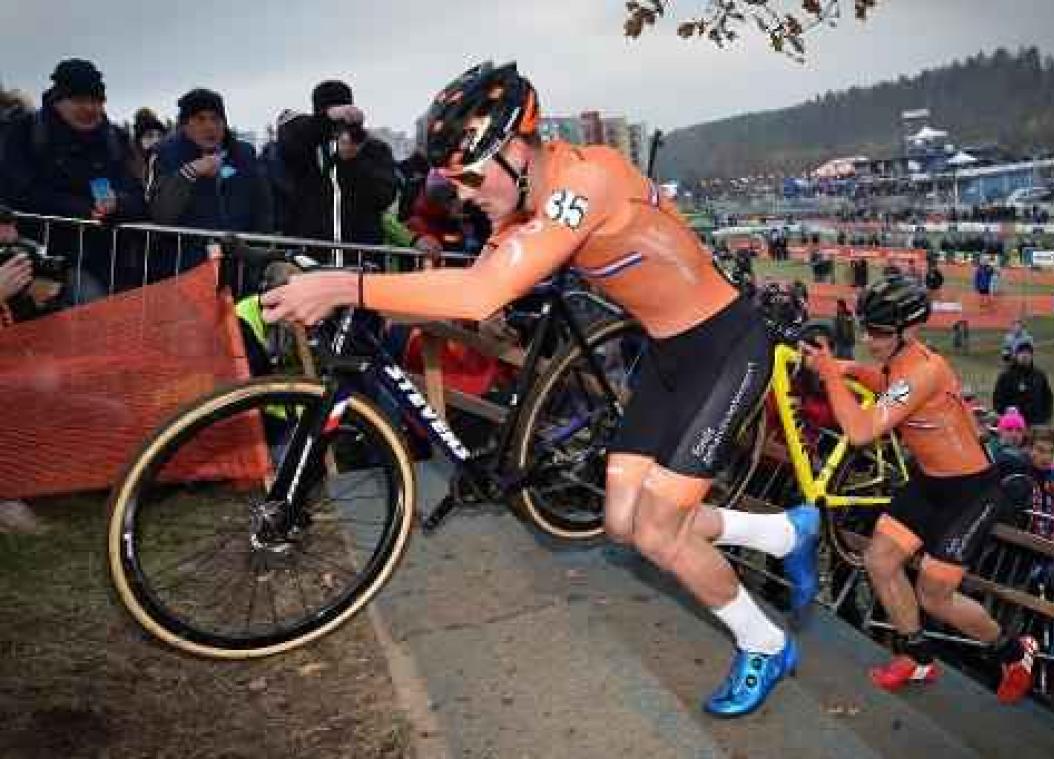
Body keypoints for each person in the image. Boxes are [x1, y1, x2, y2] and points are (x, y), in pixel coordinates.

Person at [261, 61, 820, 718]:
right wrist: (354, 297)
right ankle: (782, 532)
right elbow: (473, 285)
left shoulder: (589, 178)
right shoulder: (525, 204)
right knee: (621, 523)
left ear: (517, 150)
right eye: (451, 181)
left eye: (471, 175)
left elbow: (478, 292)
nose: (463, 194)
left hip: (727, 346)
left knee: (660, 533)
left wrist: (342, 286)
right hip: (669, 352)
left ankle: (765, 642)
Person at [801, 276, 1038, 704]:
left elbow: (860, 431)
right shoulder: (901, 360)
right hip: (931, 482)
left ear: (908, 330)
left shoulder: (925, 368)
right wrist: (848, 368)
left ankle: (1013, 651)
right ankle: (918, 655)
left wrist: (832, 377)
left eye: (879, 333)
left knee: (935, 595)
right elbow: (886, 382)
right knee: (880, 560)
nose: (871, 341)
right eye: (867, 330)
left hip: (972, 492)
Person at [0, 58, 145, 303]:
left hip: (111, 263)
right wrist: (82, 209)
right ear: (58, 100)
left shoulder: (115, 140)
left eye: (96, 101)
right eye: (79, 100)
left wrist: (117, 204)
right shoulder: (24, 133)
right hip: (41, 261)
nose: (89, 108)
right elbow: (17, 194)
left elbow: (139, 198)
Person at [147, 88, 273, 281]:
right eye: (200, 119)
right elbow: (161, 214)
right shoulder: (166, 155)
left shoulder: (244, 155)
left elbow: (262, 209)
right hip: (184, 270)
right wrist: (189, 173)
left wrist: (257, 254)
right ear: (185, 125)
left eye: (215, 119)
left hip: (237, 268)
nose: (209, 127)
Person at [276, 80, 398, 247]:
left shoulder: (374, 150)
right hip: (309, 253)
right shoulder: (305, 143)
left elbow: (384, 196)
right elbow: (289, 136)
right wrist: (328, 118)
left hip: (360, 255)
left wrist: (352, 161)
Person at [992, 340, 1053, 426]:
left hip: (1036, 422)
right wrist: (1005, 415)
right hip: (1013, 424)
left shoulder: (1039, 376)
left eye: (1028, 353)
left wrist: (1046, 417)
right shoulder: (1006, 376)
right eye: (1021, 353)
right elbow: (998, 399)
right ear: (1016, 355)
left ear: (1031, 356)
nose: (1025, 356)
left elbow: (1047, 397)